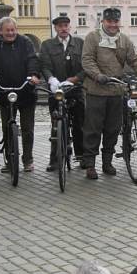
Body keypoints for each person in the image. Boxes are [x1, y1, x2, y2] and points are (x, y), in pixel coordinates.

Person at [81, 8, 137, 180]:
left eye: (115, 22)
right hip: (97, 89)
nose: (112, 25)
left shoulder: (124, 39)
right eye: (109, 21)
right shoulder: (92, 37)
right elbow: (87, 60)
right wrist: (98, 75)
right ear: (103, 21)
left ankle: (107, 162)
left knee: (113, 128)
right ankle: (90, 164)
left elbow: (134, 58)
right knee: (93, 128)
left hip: (116, 90)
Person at [0, 17, 41, 173]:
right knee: (8, 127)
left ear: (16, 29)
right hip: (4, 92)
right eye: (7, 30)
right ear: (0, 31)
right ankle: (10, 160)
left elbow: (32, 60)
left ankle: (28, 159)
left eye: (13, 30)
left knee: (27, 128)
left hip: (25, 92)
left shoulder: (25, 42)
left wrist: (33, 75)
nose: (10, 33)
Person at [40, 15, 85, 172]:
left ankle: (82, 156)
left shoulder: (79, 43)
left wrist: (75, 79)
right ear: (55, 28)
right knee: (56, 125)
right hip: (56, 91)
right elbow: (44, 65)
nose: (63, 28)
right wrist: (51, 79)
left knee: (80, 124)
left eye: (66, 25)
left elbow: (86, 65)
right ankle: (55, 159)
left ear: (69, 26)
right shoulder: (47, 45)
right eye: (60, 26)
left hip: (76, 89)